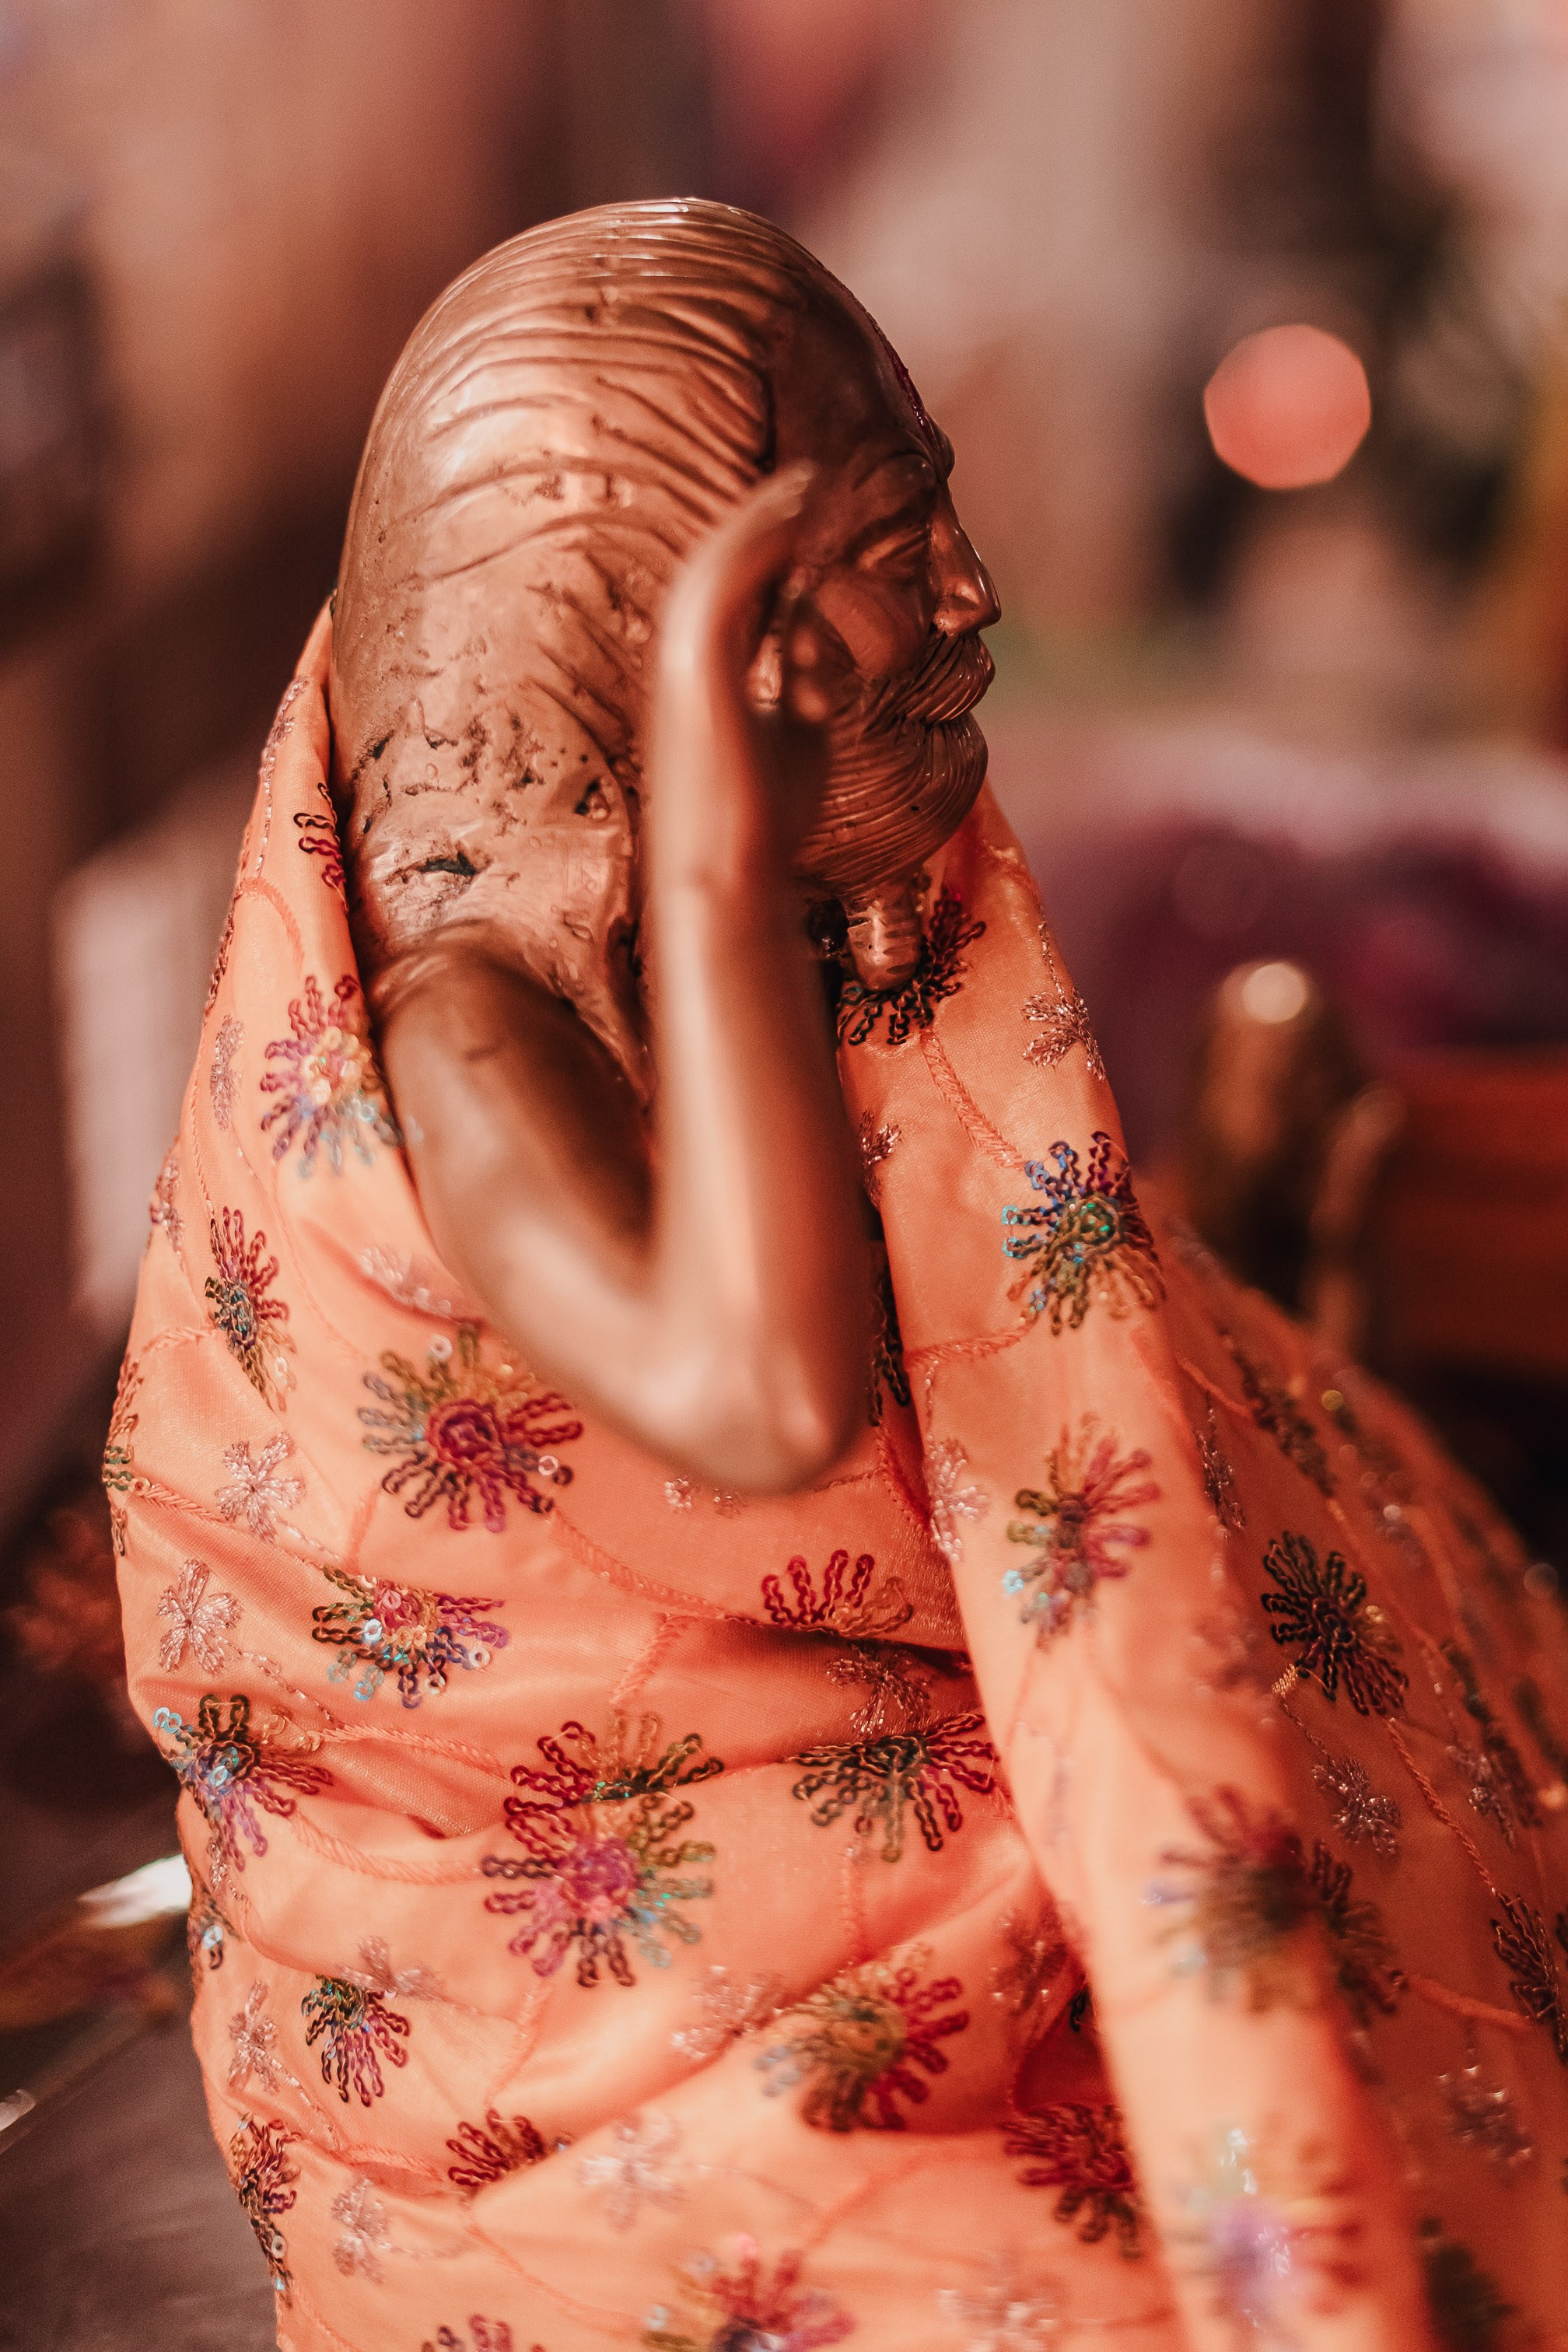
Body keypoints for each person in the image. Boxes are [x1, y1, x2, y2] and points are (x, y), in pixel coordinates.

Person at [116, 202, 1567, 2352]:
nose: (970, 596)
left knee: (1352, 1698)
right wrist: (709, 859)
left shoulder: (824, 875)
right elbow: (768, 1397)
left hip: (888, 1674)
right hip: (633, 1919)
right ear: (675, 657)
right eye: (899, 548)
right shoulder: (477, 1035)